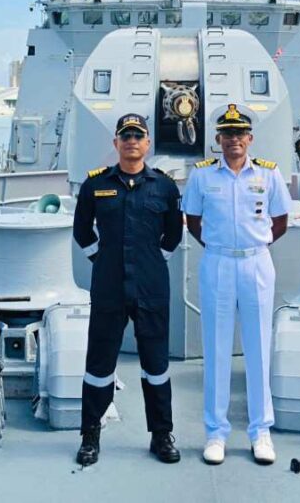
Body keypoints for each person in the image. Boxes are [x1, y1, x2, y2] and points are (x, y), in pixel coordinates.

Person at [181, 104, 292, 467]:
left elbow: (280, 221)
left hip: (257, 262)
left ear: (250, 138)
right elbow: (193, 221)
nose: (234, 140)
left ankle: (261, 431)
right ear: (218, 140)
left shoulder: (269, 176)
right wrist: (223, 246)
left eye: (239, 134)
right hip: (217, 262)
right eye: (227, 134)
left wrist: (252, 245)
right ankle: (216, 433)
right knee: (216, 347)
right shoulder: (201, 177)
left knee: (259, 346)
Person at [72, 113, 184, 466]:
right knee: (99, 362)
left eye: (138, 136)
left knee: (156, 364)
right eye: (126, 136)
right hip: (108, 287)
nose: (132, 141)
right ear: (116, 143)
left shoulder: (164, 187)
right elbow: (82, 232)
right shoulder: (95, 185)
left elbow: (173, 235)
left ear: (147, 143)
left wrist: (154, 259)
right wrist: (101, 260)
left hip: (151, 287)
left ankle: (161, 435)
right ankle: (91, 434)